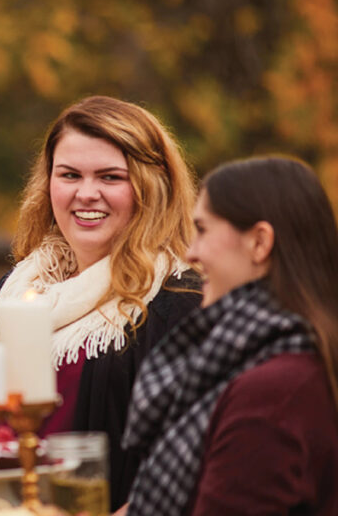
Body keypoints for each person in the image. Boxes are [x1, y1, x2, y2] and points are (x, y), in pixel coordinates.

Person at [0, 96, 202, 510]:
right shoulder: (19, 290)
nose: (86, 194)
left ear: (152, 183)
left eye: (110, 177)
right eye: (69, 175)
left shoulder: (177, 302)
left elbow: (190, 460)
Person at [122, 156, 338, 515]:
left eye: (203, 230)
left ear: (259, 242)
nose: (191, 252)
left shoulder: (274, 392)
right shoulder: (286, 358)